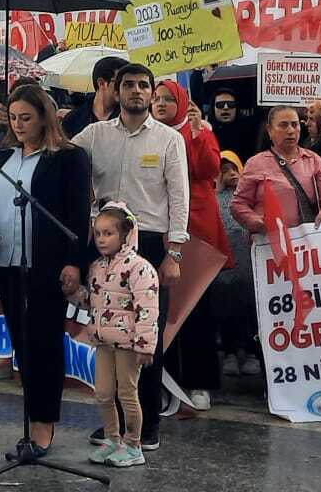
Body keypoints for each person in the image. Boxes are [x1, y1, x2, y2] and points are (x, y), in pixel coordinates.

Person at [72, 63, 188, 451]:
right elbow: (63, 154)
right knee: (108, 335)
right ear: (115, 92)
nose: (136, 91)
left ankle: (147, 425)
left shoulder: (170, 140)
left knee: (144, 339)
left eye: (143, 85)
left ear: (152, 93)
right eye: (129, 85)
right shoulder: (94, 134)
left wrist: (173, 253)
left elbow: (179, 198)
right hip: (103, 245)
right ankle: (114, 427)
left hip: (152, 246)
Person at [0, 84, 93, 459]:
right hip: (6, 263)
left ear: (45, 117)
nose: (18, 125)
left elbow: (78, 214)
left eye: (26, 118)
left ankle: (44, 423)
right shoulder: (5, 157)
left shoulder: (68, 157)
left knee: (44, 345)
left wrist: (74, 261)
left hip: (46, 265)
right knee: (22, 345)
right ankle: (32, 418)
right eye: (13, 118)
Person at [154, 80, 223, 411]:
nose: (161, 104)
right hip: (159, 231)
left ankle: (199, 382)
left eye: (169, 99)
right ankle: (165, 381)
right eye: (157, 99)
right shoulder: (148, 134)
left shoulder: (200, 131)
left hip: (196, 233)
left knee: (196, 312)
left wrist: (196, 133)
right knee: (161, 313)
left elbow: (208, 169)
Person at [74, 201, 159, 469]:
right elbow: (94, 302)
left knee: (127, 393)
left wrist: (145, 346)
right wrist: (74, 294)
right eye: (98, 233)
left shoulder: (140, 268)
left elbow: (148, 309)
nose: (101, 239)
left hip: (128, 345)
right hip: (103, 342)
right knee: (102, 393)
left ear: (126, 233)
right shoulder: (97, 267)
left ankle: (133, 444)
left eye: (108, 233)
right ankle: (112, 440)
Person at [234, 103, 321, 236]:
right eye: (283, 125)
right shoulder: (255, 164)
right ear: (269, 130)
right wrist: (258, 223)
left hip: (308, 242)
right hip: (269, 243)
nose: (291, 130)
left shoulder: (314, 160)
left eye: (295, 124)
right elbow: (238, 205)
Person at [210, 153, 260, 377]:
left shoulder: (251, 198)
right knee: (225, 311)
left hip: (249, 269)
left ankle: (249, 352)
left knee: (249, 312)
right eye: (223, 170)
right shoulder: (211, 198)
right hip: (223, 271)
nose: (230, 174)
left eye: (233, 169)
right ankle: (229, 352)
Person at [64, 54, 126, 139]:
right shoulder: (74, 119)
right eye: (121, 82)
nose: (127, 89)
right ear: (101, 83)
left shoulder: (131, 118)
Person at [206, 87, 258, 160]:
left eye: (231, 104)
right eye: (220, 105)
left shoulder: (249, 133)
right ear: (213, 108)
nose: (226, 107)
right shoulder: (207, 133)